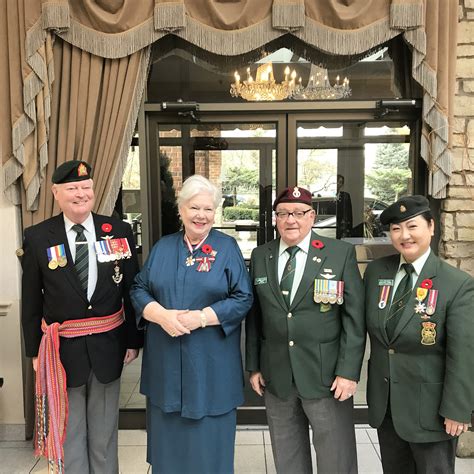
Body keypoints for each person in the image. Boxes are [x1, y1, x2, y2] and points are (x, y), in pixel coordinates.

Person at [21, 160, 143, 473]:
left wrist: (133, 340)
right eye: (72, 188)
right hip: (62, 353)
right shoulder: (38, 237)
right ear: (56, 193)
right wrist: (34, 351)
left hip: (108, 346)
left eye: (86, 187)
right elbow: (32, 299)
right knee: (70, 433)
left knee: (103, 435)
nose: (81, 194)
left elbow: (130, 289)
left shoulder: (116, 230)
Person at [130, 174, 253, 474]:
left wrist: (201, 318)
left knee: (210, 452)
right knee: (168, 451)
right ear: (181, 210)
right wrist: (161, 315)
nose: (202, 215)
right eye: (195, 208)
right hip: (166, 366)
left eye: (208, 209)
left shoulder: (227, 248)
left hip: (211, 365)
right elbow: (138, 288)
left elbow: (243, 297)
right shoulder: (163, 247)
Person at [246, 185, 366, 474]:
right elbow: (255, 316)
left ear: (312, 216)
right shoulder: (262, 255)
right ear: (275, 218)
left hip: (326, 376)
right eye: (283, 213)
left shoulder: (339, 253)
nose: (291, 220)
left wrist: (349, 372)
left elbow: (354, 318)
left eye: (299, 213)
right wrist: (254, 366)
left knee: (334, 456)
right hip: (277, 375)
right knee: (287, 455)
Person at [364, 195, 474, 474]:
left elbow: (463, 352)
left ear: (431, 227)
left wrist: (458, 409)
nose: (405, 236)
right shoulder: (377, 272)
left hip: (432, 410)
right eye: (396, 229)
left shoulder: (456, 284)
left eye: (412, 226)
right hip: (387, 406)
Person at [336, 174, 353, 238]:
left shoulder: (345, 196)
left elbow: (349, 213)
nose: (338, 184)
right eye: (337, 181)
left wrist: (349, 228)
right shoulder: (328, 197)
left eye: (340, 182)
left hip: (342, 226)